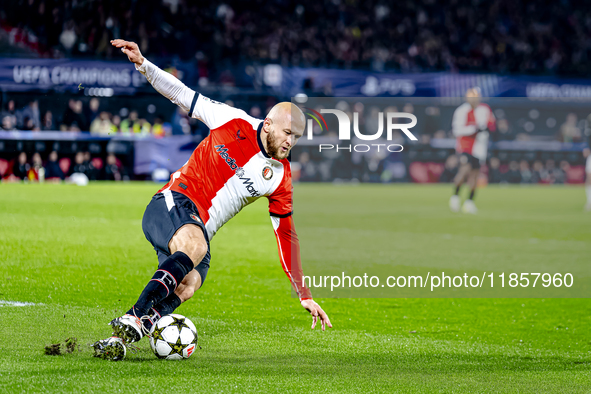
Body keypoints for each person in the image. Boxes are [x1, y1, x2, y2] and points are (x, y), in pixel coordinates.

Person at [92, 39, 332, 360]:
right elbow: (181, 93)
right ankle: (134, 316)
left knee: (190, 282)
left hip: (198, 230)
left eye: (297, 137)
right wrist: (144, 64)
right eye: (288, 133)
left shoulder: (280, 176)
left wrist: (303, 292)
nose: (291, 141)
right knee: (196, 247)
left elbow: (286, 234)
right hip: (173, 203)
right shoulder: (233, 121)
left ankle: (120, 338)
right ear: (269, 124)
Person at [449, 88, 496, 214]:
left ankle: (469, 202)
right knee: (465, 170)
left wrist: (486, 128)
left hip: (480, 147)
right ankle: (455, 196)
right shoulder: (461, 111)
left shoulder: (485, 109)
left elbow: (491, 124)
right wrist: (474, 129)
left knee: (475, 174)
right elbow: (457, 130)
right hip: (466, 146)